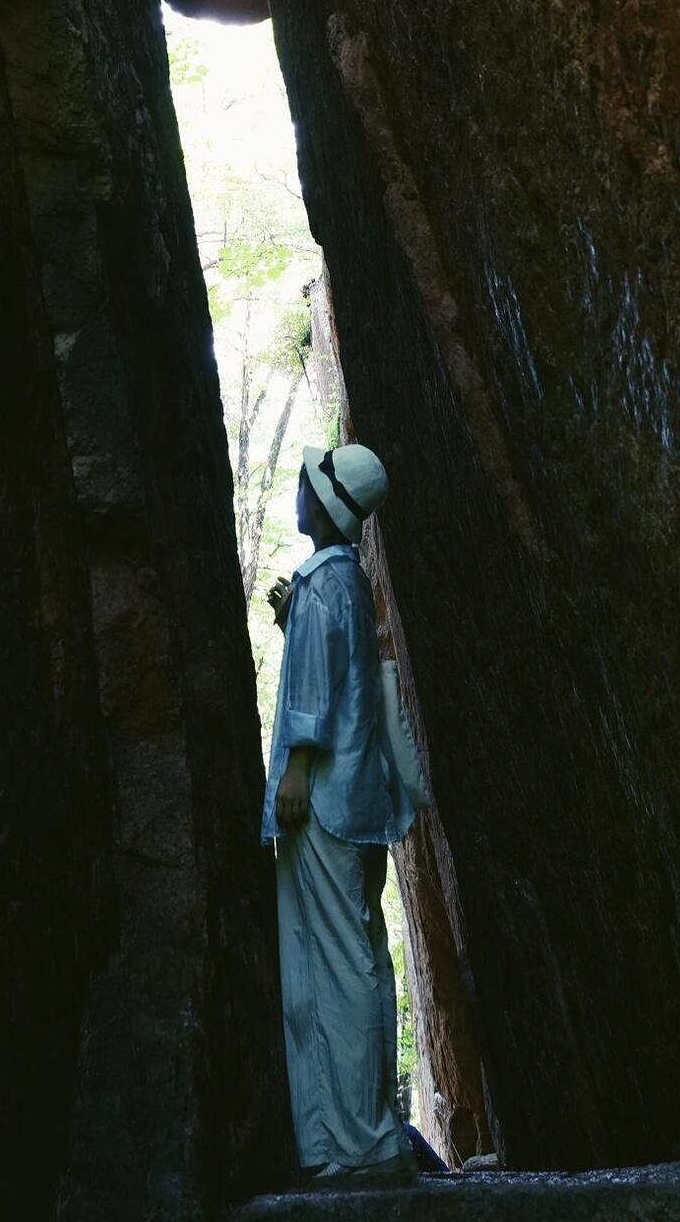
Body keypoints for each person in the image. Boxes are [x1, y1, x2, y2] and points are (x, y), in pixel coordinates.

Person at [263, 442, 416, 1185]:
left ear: (326, 505)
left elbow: (318, 690)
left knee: (342, 966)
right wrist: (298, 622)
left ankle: (363, 1140)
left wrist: (294, 764)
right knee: (347, 957)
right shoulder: (345, 582)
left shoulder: (325, 581)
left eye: (307, 482)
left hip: (323, 797)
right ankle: (338, 1138)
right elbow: (345, 672)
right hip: (359, 798)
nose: (298, 488)